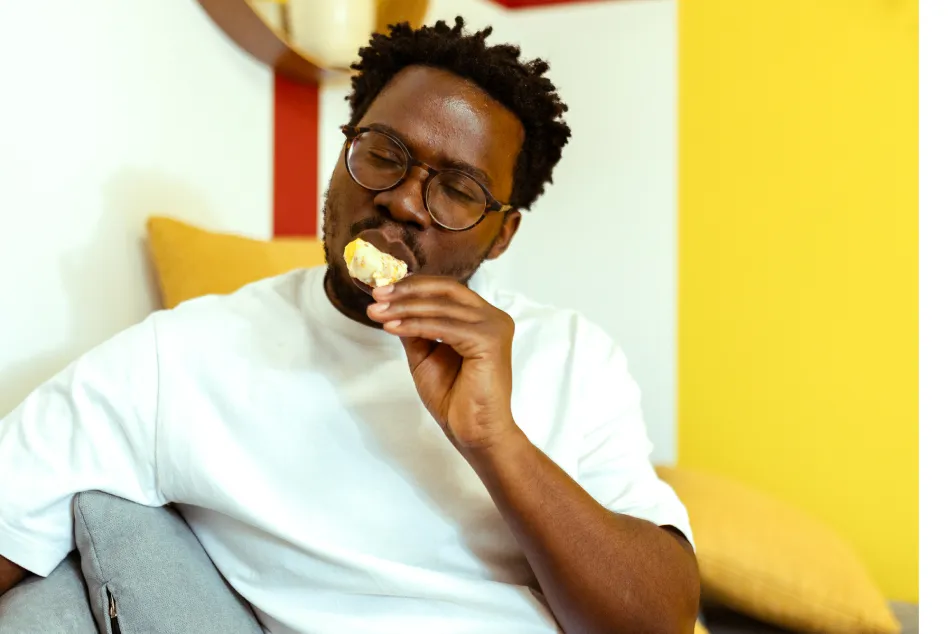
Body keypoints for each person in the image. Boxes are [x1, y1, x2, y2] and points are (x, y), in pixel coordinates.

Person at [0, 17, 700, 634]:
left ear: (501, 236)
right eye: (382, 154)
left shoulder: (572, 354)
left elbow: (657, 621)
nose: (401, 201)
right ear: (342, 155)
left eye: (456, 190)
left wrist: (494, 440)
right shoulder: (180, 358)